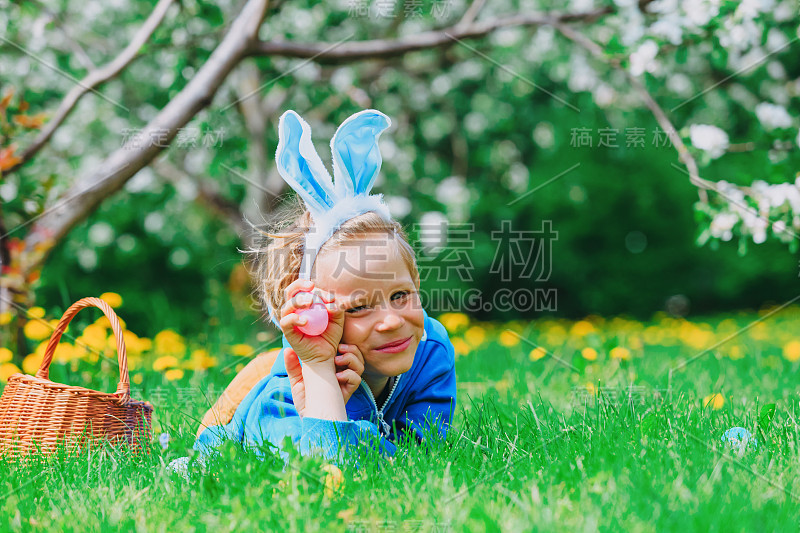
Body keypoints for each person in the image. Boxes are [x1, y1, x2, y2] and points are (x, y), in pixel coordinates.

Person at [193, 109, 456, 461]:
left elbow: (423, 458)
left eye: (400, 295)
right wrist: (320, 374)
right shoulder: (284, 397)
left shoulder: (430, 348)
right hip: (230, 443)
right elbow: (324, 473)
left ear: (416, 283)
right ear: (311, 315)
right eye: (359, 306)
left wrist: (368, 439)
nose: (392, 321)